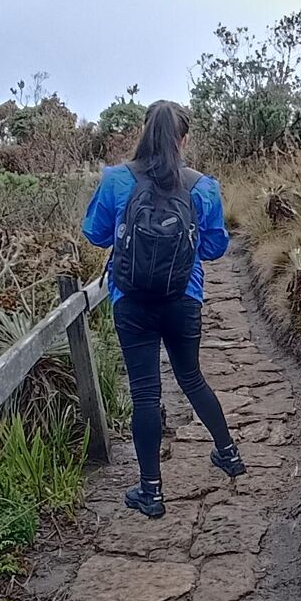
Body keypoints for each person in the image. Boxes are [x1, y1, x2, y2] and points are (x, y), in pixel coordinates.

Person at [81, 100, 245, 518]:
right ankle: (228, 454)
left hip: (130, 301)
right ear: (183, 138)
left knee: (145, 394)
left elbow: (95, 234)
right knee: (191, 377)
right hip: (182, 298)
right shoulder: (202, 186)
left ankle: (151, 492)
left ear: (143, 133)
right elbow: (215, 246)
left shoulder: (117, 179)